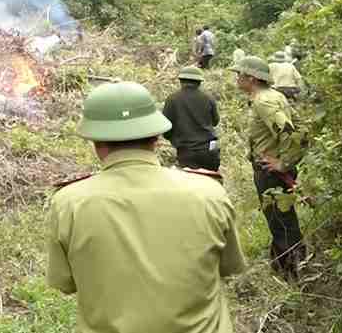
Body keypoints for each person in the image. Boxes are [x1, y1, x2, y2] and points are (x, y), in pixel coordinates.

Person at [47, 82, 246, 333]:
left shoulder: (68, 204)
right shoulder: (209, 193)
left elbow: (65, 283)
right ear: (156, 138)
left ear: (96, 141)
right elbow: (228, 266)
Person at [231, 56, 306, 280]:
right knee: (282, 219)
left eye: (239, 75)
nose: (236, 79)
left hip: (272, 172)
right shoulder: (275, 96)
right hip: (275, 169)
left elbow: (291, 132)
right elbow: (300, 126)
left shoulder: (263, 101)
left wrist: (283, 163)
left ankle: (293, 273)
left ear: (251, 78)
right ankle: (282, 266)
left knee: (281, 222)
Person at [162, 66, 221, 171]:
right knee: (211, 182)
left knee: (191, 184)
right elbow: (215, 122)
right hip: (209, 150)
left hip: (186, 152)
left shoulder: (172, 99)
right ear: (199, 82)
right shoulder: (208, 98)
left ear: (181, 81)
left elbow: (166, 128)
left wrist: (174, 140)